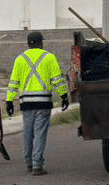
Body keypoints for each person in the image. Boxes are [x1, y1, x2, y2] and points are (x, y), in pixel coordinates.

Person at [6, 31, 70, 176]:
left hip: (26, 103)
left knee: (28, 132)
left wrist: (9, 101)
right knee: (40, 133)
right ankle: (37, 165)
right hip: (43, 102)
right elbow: (57, 79)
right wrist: (64, 95)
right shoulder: (49, 57)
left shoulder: (20, 59)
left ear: (28, 43)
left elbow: (13, 83)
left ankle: (28, 161)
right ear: (41, 43)